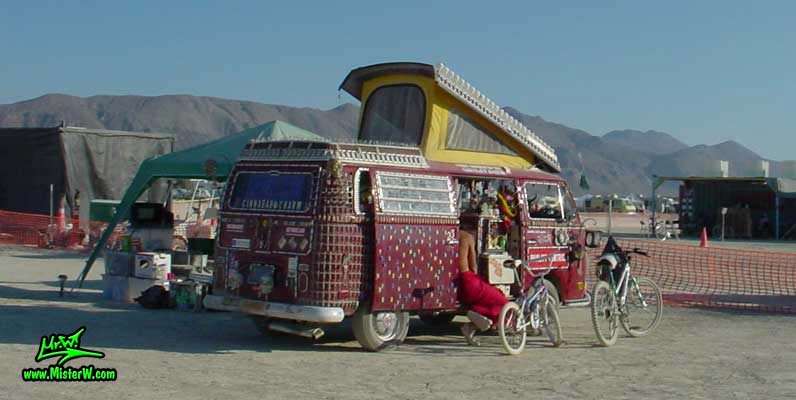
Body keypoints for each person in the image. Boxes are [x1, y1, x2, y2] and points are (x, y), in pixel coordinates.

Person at [457, 228, 508, 346]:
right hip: (468, 280)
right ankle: (474, 320)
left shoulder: (448, 234)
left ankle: (476, 320)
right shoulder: (467, 237)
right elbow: (473, 266)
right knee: (501, 300)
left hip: (457, 284)